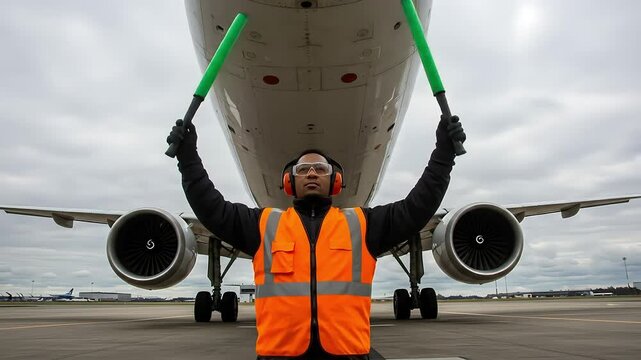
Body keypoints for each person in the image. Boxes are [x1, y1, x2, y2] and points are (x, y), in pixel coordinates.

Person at [167, 115, 465, 359]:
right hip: (280, 357)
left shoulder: (362, 225)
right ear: (290, 182)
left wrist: (444, 155)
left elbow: (418, 206)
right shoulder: (263, 225)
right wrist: (187, 158)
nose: (311, 173)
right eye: (303, 169)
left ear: (335, 182)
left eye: (320, 169)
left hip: (347, 356)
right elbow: (211, 207)